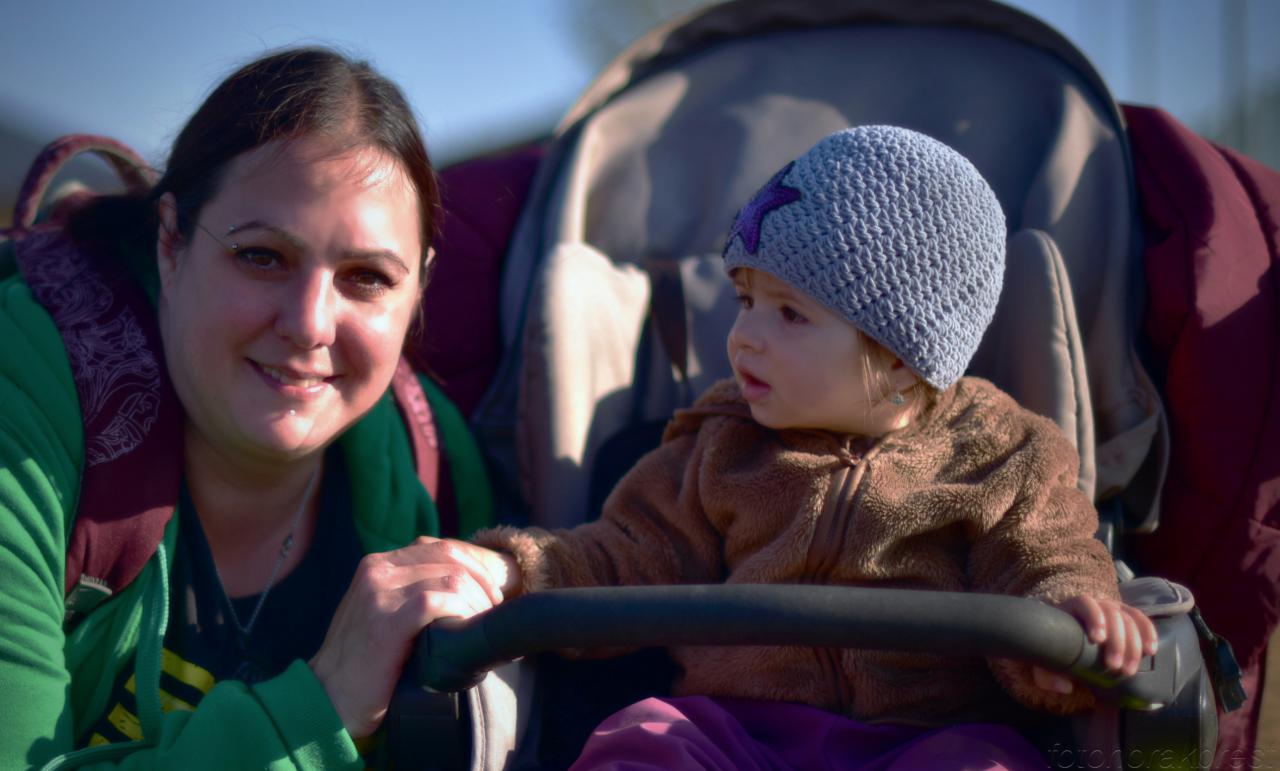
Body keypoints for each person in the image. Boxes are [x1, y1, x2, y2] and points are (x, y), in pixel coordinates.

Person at [441, 126, 1160, 770]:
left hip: (928, 736)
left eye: (788, 313)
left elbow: (1042, 555)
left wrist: (1067, 622)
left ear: (902, 353)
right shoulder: (720, 441)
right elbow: (625, 551)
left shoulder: (1003, 451)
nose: (744, 337)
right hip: (737, 732)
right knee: (644, 737)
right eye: (745, 299)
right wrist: (513, 570)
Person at [0, 47, 506, 769]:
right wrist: (322, 710)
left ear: (419, 287)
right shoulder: (21, 403)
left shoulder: (436, 472)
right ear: (170, 242)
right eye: (262, 256)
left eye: (366, 276)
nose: (309, 324)